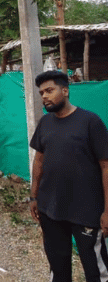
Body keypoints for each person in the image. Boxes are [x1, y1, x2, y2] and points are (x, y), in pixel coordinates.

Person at [30, 70, 108, 282]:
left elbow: (106, 166)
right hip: (50, 209)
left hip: (86, 211)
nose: (45, 96)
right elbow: (39, 161)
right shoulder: (45, 123)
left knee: (97, 271)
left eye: (49, 90)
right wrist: (34, 196)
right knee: (58, 268)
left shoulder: (90, 122)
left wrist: (107, 210)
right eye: (41, 93)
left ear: (65, 91)